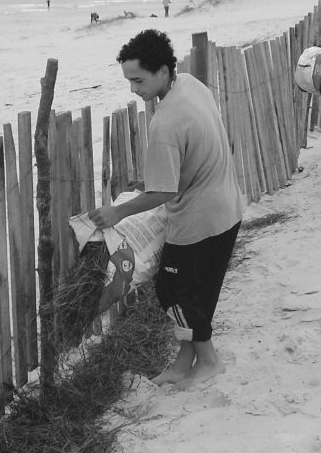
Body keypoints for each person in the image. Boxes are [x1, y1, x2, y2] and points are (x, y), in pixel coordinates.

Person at [88, 29, 245, 390]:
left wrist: (117, 213)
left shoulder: (165, 122)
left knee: (172, 291)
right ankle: (184, 361)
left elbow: (163, 191)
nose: (133, 89)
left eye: (138, 80)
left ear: (162, 70)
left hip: (200, 219)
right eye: (129, 80)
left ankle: (209, 360)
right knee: (199, 291)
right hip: (228, 207)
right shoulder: (190, 84)